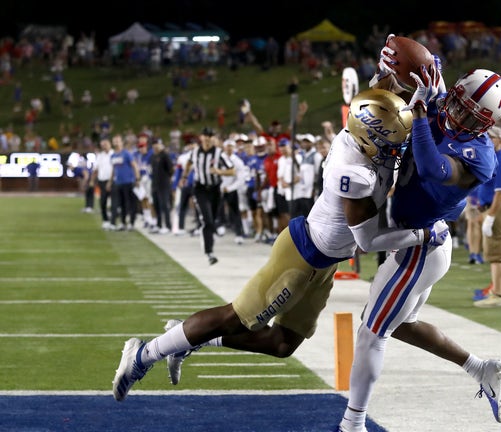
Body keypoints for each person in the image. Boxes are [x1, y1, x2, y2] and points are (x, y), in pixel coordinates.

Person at [111, 89, 449, 402]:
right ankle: (143, 354)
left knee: (283, 344)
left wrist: (423, 95)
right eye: (391, 144)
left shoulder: (360, 136)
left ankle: (189, 337)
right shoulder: (354, 172)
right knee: (235, 318)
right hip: (302, 256)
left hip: (326, 260)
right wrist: (422, 235)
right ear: (369, 138)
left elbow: (381, 94)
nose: (397, 151)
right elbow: (367, 240)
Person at [339, 68, 501, 431]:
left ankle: (352, 423)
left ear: (486, 124)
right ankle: (481, 368)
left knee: (372, 331)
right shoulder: (441, 106)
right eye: (459, 105)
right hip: (418, 239)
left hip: (422, 243)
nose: (459, 115)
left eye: (470, 115)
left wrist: (419, 114)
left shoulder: (480, 156)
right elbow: (425, 70)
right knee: (400, 325)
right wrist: (409, 69)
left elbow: (433, 168)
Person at [473, 125, 501, 307]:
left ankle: (497, 294)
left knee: (496, 254)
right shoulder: (495, 158)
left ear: (499, 140)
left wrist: (490, 217)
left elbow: (500, 193)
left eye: (491, 137)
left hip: (497, 210)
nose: (487, 140)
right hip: (497, 210)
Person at [178, 127, 233, 265]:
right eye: (205, 135)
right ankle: (209, 252)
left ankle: (210, 240)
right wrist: (184, 176)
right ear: (201, 137)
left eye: (210, 135)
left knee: (212, 220)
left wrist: (219, 171)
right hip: (200, 189)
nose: (208, 138)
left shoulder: (219, 153)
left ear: (213, 138)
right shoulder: (195, 152)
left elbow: (232, 171)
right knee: (207, 220)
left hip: (215, 189)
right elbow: (189, 163)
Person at [107, 135, 140, 231]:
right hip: (118, 182)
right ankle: (123, 222)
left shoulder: (126, 154)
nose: (116, 143)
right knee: (121, 204)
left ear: (121, 142)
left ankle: (131, 223)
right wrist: (110, 181)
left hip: (128, 181)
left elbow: (134, 166)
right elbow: (114, 169)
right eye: (114, 141)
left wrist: (137, 178)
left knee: (130, 203)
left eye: (118, 141)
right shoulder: (113, 155)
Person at [149, 138, 174, 235]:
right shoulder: (153, 156)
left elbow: (171, 169)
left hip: (164, 184)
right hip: (155, 184)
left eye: (157, 144)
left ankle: (168, 226)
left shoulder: (164, 155)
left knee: (164, 205)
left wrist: (167, 179)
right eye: (154, 144)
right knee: (157, 205)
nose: (156, 146)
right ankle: (159, 225)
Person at [91, 138, 114, 229]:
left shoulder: (114, 154)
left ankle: (113, 221)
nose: (104, 146)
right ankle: (105, 220)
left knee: (115, 202)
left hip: (113, 181)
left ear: (109, 144)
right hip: (102, 181)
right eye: (102, 145)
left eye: (105, 144)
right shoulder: (100, 156)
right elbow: (96, 169)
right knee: (103, 201)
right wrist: (92, 180)